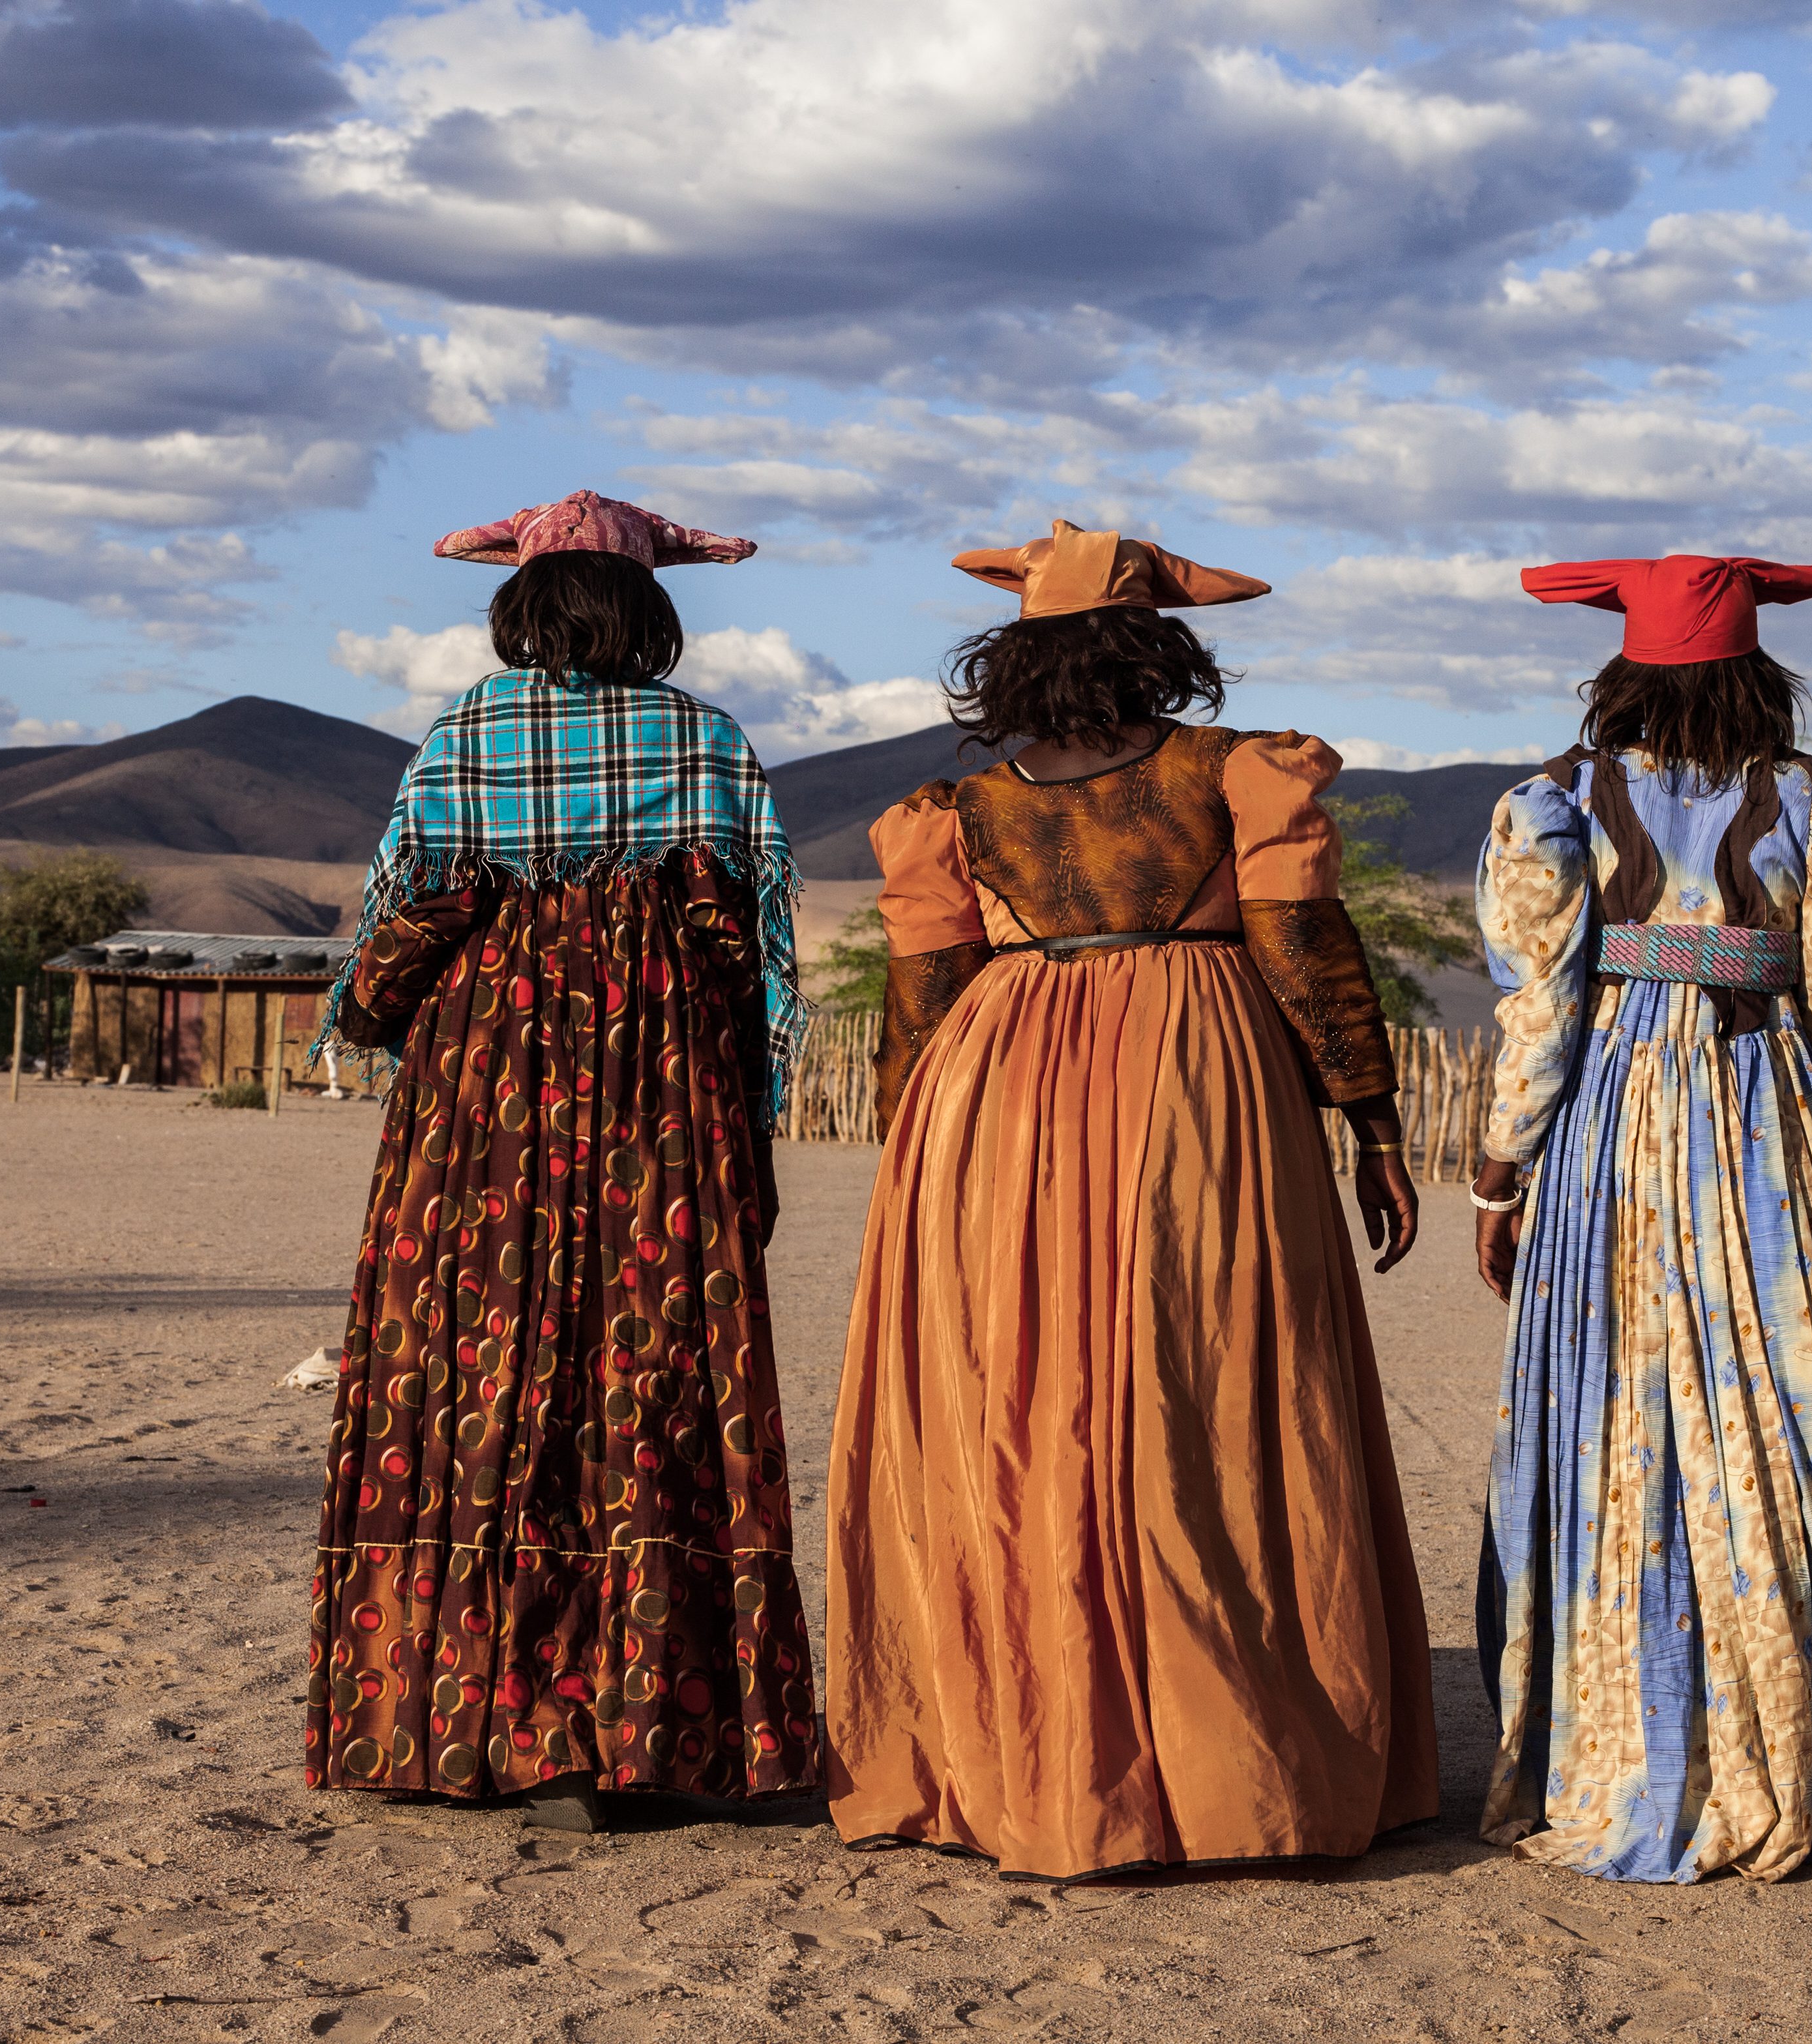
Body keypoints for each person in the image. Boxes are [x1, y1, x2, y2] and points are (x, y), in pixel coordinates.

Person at [824, 520, 1439, 1880]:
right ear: (1158, 645)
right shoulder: (1240, 775)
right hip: (1198, 1076)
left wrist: (910, 1160)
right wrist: (1371, 1116)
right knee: (1212, 1391)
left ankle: (1029, 1753)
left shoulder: (954, 811)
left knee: (1026, 1395)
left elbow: (921, 1002)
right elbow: (1300, 944)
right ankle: (1241, 1759)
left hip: (996, 1098)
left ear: (1015, 661)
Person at [304, 490, 819, 1832]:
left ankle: (468, 1719)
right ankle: (651, 1722)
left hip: (482, 1108)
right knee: (649, 1375)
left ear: (517, 609)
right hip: (662, 1109)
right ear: (652, 611)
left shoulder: (459, 741)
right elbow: (752, 963)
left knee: (480, 1366)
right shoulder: (706, 744)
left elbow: (383, 965)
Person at [1468, 552, 1812, 1883]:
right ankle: (1783, 1755)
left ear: (1621, 671)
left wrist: (1500, 1172)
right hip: (1762, 1112)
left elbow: (1540, 1009)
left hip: (1609, 1129)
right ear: (1759, 671)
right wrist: (1807, 1140)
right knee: (1772, 1431)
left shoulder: (1551, 804)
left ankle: (1618, 1759)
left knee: (1619, 1425)